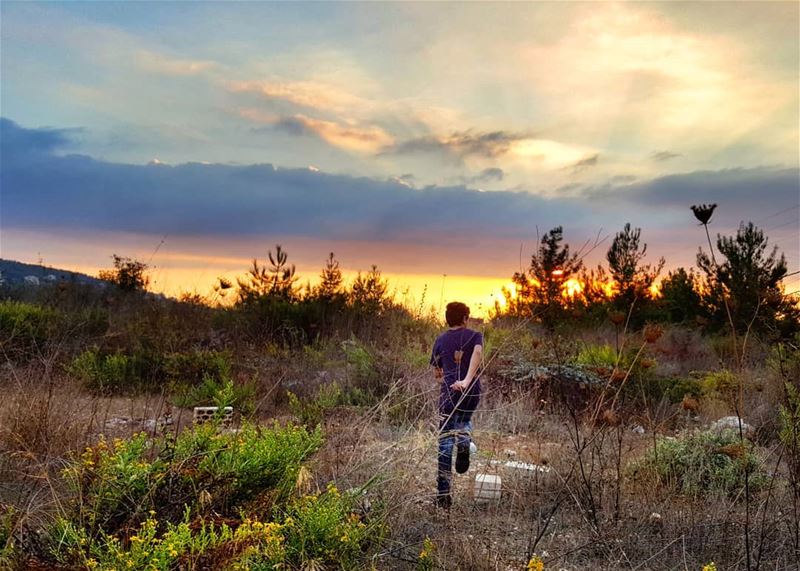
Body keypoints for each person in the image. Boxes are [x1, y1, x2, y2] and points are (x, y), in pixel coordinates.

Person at [430, 301, 483, 508]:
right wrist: (468, 380)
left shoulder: (441, 340)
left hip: (449, 393)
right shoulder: (475, 336)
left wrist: (454, 379)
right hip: (472, 392)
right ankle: (463, 443)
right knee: (463, 420)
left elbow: (437, 372)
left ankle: (443, 496)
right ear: (464, 318)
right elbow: (477, 353)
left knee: (444, 442)